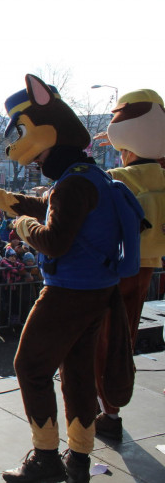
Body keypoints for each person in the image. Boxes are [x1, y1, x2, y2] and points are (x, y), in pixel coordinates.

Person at [0, 74, 134, 483]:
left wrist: (22, 226)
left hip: (68, 292)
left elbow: (55, 240)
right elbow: (43, 204)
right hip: (97, 289)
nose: (34, 159)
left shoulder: (72, 185)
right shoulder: (90, 176)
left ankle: (45, 458)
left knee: (29, 366)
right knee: (78, 372)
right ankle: (78, 457)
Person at [94, 89, 165, 440]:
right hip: (148, 265)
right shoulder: (162, 175)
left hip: (115, 268)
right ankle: (113, 407)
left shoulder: (118, 178)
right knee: (127, 336)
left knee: (101, 339)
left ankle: (103, 407)